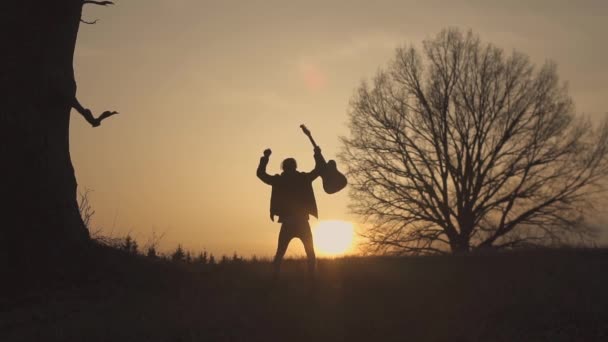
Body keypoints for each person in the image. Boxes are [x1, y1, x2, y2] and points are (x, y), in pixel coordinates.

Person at [257, 146, 325, 279]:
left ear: (284, 168)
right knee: (310, 253)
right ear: (295, 166)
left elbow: (261, 174)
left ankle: (275, 278)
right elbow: (318, 170)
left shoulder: (279, 180)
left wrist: (265, 158)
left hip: (288, 222)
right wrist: (317, 154)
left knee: (280, 253)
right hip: (302, 222)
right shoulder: (303, 178)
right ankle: (312, 279)